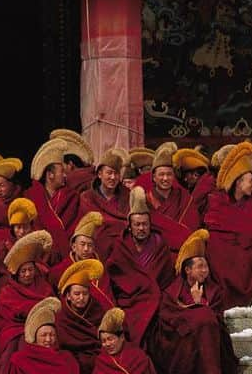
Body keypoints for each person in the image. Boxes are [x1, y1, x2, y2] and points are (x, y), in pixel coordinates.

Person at [149, 229, 237, 374]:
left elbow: (216, 320)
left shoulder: (215, 291)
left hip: (209, 340)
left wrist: (199, 304)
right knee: (186, 344)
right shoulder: (171, 292)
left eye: (206, 266)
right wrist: (188, 325)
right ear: (187, 270)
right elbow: (166, 319)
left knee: (204, 325)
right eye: (200, 267)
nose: (205, 271)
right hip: (180, 339)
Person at [204, 141, 252, 308]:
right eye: (250, 181)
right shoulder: (219, 201)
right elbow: (214, 226)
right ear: (238, 182)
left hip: (249, 253)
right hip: (229, 251)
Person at [102, 186, 171, 345]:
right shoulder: (121, 245)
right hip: (129, 301)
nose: (141, 228)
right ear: (129, 225)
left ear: (150, 224)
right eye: (137, 224)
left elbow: (167, 278)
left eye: (145, 224)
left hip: (156, 300)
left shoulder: (159, 244)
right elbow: (115, 275)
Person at [0, 230, 54, 374]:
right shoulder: (7, 291)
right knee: (16, 342)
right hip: (15, 329)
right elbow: (3, 319)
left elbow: (51, 310)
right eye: (23, 271)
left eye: (30, 270)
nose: (27, 274)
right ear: (16, 273)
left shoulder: (44, 287)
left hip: (41, 328)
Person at [54, 259, 113, 374]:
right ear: (68, 296)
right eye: (77, 294)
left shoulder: (97, 310)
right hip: (72, 357)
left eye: (85, 293)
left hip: (96, 353)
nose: (81, 298)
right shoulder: (62, 316)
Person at [133, 142, 200, 251]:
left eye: (169, 174)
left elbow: (192, 228)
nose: (165, 178)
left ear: (173, 176)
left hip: (181, 253)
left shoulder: (184, 197)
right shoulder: (145, 200)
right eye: (161, 174)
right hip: (153, 253)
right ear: (154, 177)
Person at [48, 211, 115, 302]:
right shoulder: (59, 270)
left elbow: (108, 299)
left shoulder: (100, 270)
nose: (86, 249)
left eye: (90, 245)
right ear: (74, 247)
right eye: (82, 244)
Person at [26, 138, 79, 251]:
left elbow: (74, 227)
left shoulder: (72, 197)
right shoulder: (31, 196)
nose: (65, 175)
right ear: (50, 174)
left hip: (65, 250)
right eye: (62, 172)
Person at [0, 197, 38, 296]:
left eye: (25, 227)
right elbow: (0, 270)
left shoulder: (36, 242)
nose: (21, 232)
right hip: (11, 282)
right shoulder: (5, 245)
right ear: (12, 228)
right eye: (18, 227)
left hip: (33, 279)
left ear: (31, 227)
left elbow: (43, 266)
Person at [77, 147, 130, 250]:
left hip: (123, 248)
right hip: (95, 247)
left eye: (116, 173)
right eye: (109, 173)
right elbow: (85, 227)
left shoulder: (128, 196)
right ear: (100, 174)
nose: (113, 177)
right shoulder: (87, 197)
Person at [52, 128, 97, 195]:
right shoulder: (92, 174)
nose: (63, 172)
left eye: (63, 166)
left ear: (70, 164)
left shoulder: (71, 179)